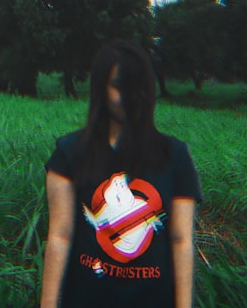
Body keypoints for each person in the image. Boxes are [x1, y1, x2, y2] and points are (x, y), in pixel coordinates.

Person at [41, 39, 202, 308]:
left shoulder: (175, 157)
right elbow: (60, 235)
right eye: (118, 86)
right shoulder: (69, 154)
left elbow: (182, 240)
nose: (129, 96)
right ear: (101, 89)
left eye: (137, 86)